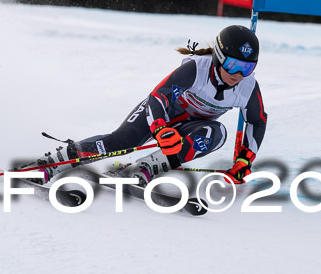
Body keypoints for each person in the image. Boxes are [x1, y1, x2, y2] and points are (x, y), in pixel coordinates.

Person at [28, 25, 267, 186]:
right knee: (122, 143)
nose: (238, 74)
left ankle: (146, 167)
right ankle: (55, 161)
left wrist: (245, 160)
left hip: (192, 126)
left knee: (217, 133)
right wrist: (162, 129)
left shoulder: (247, 87)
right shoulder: (196, 69)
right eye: (234, 65)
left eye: (247, 68)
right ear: (219, 56)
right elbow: (159, 96)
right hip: (161, 113)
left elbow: (257, 121)